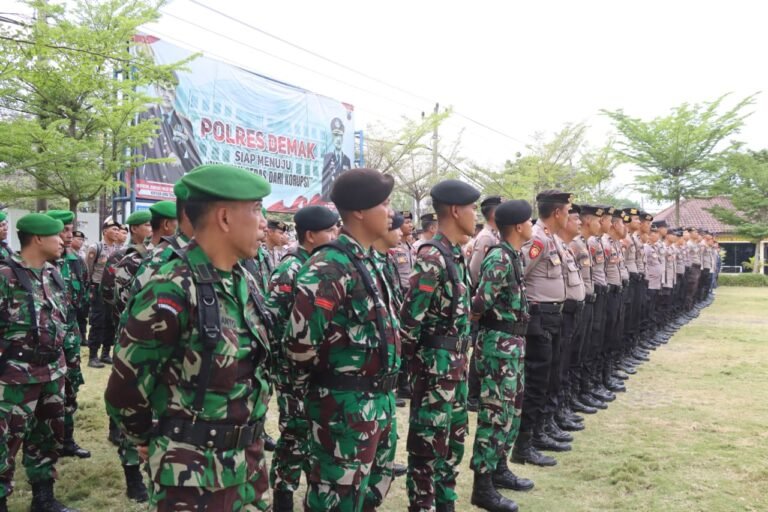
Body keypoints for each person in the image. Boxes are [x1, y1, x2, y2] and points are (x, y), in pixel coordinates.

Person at [105, 163, 274, 511]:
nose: (264, 222)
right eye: (256, 209)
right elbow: (126, 386)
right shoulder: (172, 285)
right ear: (224, 218)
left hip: (247, 466)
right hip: (192, 476)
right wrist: (144, 437)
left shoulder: (243, 280)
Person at [283, 168, 400, 511]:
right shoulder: (330, 266)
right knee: (335, 500)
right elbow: (299, 345)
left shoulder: (365, 260)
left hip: (376, 401)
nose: (391, 212)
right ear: (360, 211)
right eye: (385, 203)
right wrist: (323, 395)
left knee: (367, 496)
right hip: (344, 408)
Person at [400, 179, 479, 512]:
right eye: (473, 208)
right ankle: (423, 504)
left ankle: (445, 501)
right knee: (428, 442)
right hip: (435, 367)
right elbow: (410, 320)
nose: (475, 215)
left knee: (454, 438)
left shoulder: (454, 253)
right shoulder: (431, 256)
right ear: (456, 210)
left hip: (456, 363)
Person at [0, 213, 80, 512]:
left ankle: (43, 498)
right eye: (57, 236)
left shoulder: (53, 274)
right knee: (5, 441)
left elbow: (62, 320)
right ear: (37, 239)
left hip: (52, 372)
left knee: (47, 435)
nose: (64, 240)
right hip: (15, 377)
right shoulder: (6, 276)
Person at [265, 205, 338, 512]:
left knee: (312, 430)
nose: (335, 235)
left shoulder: (319, 264)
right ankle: (283, 492)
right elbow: (274, 319)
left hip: (316, 368)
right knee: (294, 431)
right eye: (330, 230)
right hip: (292, 368)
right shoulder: (290, 268)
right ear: (310, 235)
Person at [469, 199, 535, 512]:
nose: (532, 226)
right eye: (529, 221)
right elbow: (479, 303)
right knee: (494, 415)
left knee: (512, 412)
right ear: (519, 226)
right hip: (499, 346)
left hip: (513, 344)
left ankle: (499, 468)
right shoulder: (499, 257)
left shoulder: (514, 255)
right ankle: (482, 486)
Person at [512, 189, 573, 467]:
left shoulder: (550, 237)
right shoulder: (537, 238)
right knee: (537, 382)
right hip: (539, 317)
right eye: (568, 211)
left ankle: (541, 430)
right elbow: (518, 272)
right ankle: (526, 443)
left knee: (548, 378)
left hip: (552, 316)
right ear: (558, 212)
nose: (570, 216)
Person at [45, 210, 91, 461]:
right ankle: (43, 444)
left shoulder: (76, 262)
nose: (67, 237)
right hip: (44, 342)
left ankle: (66, 440)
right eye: (63, 231)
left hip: (70, 337)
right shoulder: (39, 263)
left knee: (70, 389)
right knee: (45, 394)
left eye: (71, 231)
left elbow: (83, 298)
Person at [466, 196, 502, 413]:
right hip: (483, 295)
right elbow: (475, 270)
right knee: (478, 348)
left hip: (489, 296)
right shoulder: (486, 238)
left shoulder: (494, 236)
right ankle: (473, 395)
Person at [84, 218, 123, 368]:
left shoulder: (118, 249)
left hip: (113, 290)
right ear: (105, 231)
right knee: (97, 321)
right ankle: (93, 356)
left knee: (111, 322)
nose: (117, 232)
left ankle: (106, 353)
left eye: (118, 230)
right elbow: (88, 269)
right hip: (98, 287)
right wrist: (90, 288)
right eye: (114, 229)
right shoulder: (96, 247)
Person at [320, 117, 352, 201]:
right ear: (332, 137)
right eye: (336, 135)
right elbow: (324, 184)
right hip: (330, 200)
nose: (338, 139)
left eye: (340, 135)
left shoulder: (347, 160)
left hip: (344, 201)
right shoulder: (327, 158)